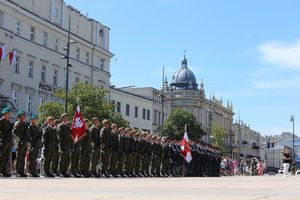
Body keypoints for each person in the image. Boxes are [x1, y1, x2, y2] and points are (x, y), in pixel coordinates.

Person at [13, 110, 28, 177]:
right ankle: (17, 171)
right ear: (19, 116)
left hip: (24, 142)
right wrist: (21, 141)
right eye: (23, 115)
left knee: (22, 157)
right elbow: (17, 134)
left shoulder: (24, 124)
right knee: (19, 157)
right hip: (20, 142)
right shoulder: (17, 124)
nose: (24, 116)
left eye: (24, 115)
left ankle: (21, 171)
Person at [57, 113, 72, 177]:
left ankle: (64, 171)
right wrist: (62, 145)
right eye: (65, 117)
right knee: (62, 159)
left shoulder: (67, 126)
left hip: (68, 145)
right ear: (62, 118)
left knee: (67, 159)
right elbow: (59, 136)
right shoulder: (60, 126)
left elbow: (69, 136)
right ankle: (60, 171)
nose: (67, 118)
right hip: (63, 145)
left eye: (67, 117)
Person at [0, 107, 13, 177]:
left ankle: (4, 171)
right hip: (3, 142)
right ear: (5, 113)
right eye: (8, 113)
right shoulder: (1, 120)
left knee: (6, 157)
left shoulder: (8, 121)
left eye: (9, 113)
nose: (9, 114)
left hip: (8, 142)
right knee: (2, 157)